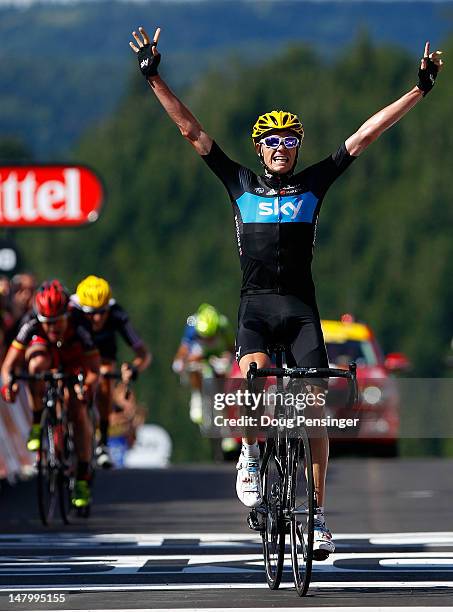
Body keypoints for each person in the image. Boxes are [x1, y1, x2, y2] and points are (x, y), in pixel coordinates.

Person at [129, 27, 443, 559]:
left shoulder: (314, 184)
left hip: (299, 311)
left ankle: (317, 516)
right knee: (252, 381)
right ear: (259, 149)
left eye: (289, 140)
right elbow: (191, 131)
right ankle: (251, 456)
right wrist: (154, 75)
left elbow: (365, 135)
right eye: (272, 141)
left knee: (314, 409)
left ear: (298, 147)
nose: (281, 148)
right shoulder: (240, 184)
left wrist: (420, 91)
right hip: (255, 308)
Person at [0, 280, 100, 508]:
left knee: (77, 409)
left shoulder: (80, 324)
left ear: (67, 314)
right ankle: (38, 421)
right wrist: (9, 385)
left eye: (58, 322)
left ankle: (83, 474)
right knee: (35, 366)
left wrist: (87, 386)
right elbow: (7, 366)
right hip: (47, 356)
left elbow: (94, 369)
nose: (53, 328)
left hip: (74, 361)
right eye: (48, 323)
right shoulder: (31, 323)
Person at [70, 275, 151, 468]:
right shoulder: (70, 312)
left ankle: (102, 441)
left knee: (105, 378)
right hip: (76, 354)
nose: (97, 318)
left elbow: (144, 354)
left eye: (102, 312)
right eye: (91, 313)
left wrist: (133, 368)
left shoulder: (117, 315)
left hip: (103, 355)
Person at [172, 303, 234, 424]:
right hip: (199, 354)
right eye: (204, 336)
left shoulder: (223, 325)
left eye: (210, 336)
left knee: (223, 375)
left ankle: (226, 417)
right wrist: (179, 363)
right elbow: (183, 350)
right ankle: (198, 396)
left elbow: (232, 348)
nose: (208, 340)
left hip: (218, 354)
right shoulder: (192, 325)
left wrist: (227, 361)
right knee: (192, 367)